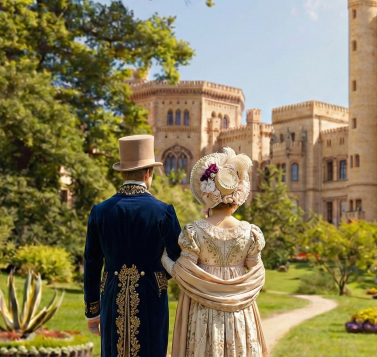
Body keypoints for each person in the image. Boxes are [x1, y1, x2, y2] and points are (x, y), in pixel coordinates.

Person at [162, 147, 268, 357]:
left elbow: (182, 272)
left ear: (206, 195)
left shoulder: (194, 232)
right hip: (239, 312)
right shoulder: (250, 233)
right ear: (237, 196)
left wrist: (163, 256)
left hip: (203, 312)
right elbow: (256, 273)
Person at [84, 134, 182, 357]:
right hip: (151, 295)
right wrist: (157, 276)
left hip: (112, 294)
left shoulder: (100, 212)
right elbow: (178, 257)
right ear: (148, 173)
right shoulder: (163, 211)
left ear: (123, 173)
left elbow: (92, 264)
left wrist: (92, 311)